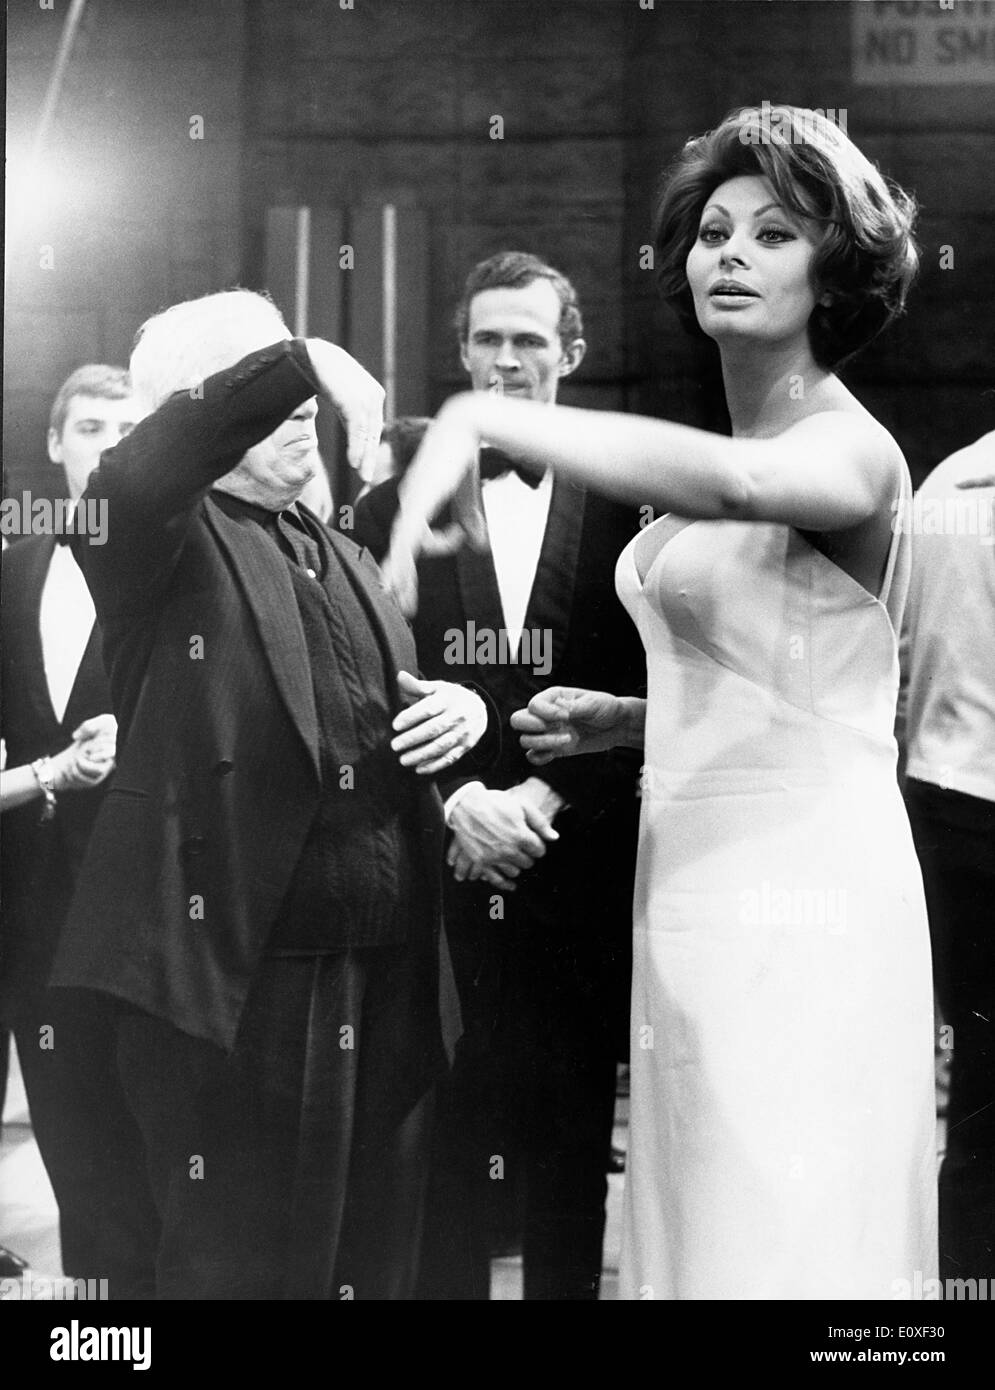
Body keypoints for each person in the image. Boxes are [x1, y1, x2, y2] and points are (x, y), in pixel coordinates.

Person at [385, 106, 938, 1300]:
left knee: (783, 1210)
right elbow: (786, 680)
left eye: (774, 233)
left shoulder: (850, 449)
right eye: (712, 230)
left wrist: (483, 412)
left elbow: (742, 485)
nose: (728, 252)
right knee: (693, 1205)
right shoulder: (746, 437)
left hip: (801, 888)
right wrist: (627, 717)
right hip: (684, 873)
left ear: (833, 267)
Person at [49, 289, 495, 1300]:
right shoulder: (151, 539)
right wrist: (304, 357)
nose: (299, 406)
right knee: (243, 1274)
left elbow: (373, 723)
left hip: (387, 972)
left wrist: (465, 718)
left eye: (293, 384)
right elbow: (144, 466)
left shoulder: (340, 547)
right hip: (238, 988)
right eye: (260, 384)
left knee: (371, 1269)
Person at [355, 252, 643, 1300]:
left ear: (570, 352)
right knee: (444, 1145)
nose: (508, 359)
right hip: (441, 874)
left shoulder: (635, 508)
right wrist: (462, 804)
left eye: (530, 339)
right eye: (488, 339)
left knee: (573, 1146)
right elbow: (362, 686)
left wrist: (546, 795)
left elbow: (656, 682)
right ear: (461, 352)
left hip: (583, 865)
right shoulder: (389, 505)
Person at [0, 365, 161, 1298]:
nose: (106, 445)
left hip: (153, 903)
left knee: (160, 1148)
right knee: (72, 1146)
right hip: (35, 904)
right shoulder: (16, 556)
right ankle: (103, 1338)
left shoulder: (185, 563)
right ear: (56, 444)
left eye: (126, 430)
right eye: (88, 428)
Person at [901, 431, 995, 1283]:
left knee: (977, 1104)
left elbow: (893, 663)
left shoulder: (939, 483)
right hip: (970, 805)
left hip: (942, 806)